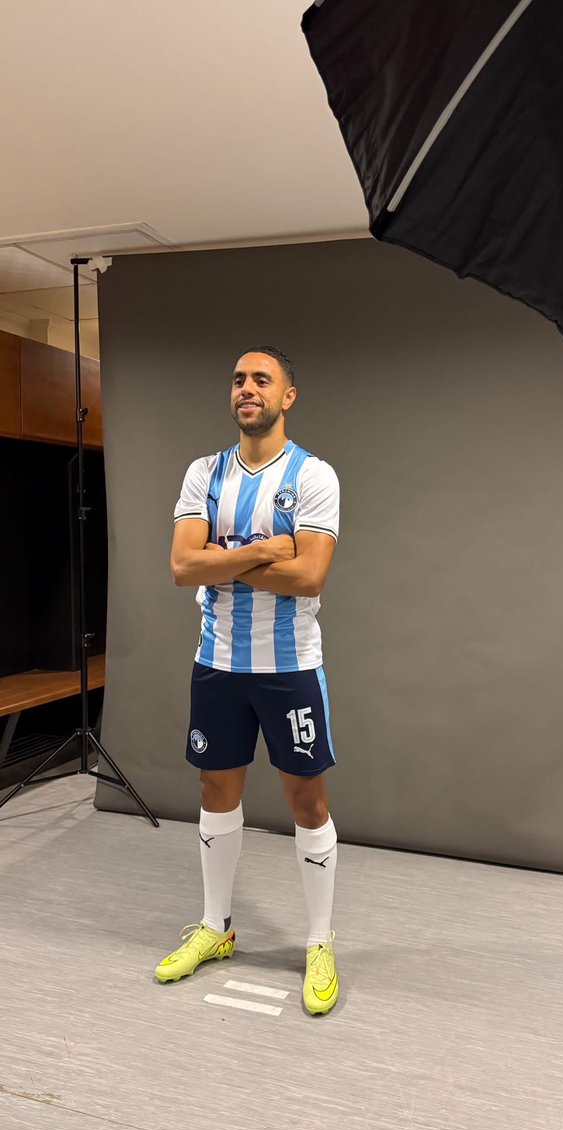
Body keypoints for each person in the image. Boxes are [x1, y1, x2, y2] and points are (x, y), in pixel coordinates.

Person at [155, 346, 340, 1016]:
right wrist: (263, 549)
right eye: (238, 379)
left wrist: (220, 559)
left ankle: (319, 941)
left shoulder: (314, 476)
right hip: (219, 665)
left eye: (262, 379)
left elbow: (310, 577)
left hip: (290, 668)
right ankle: (215, 927)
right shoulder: (204, 473)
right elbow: (181, 566)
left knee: (307, 803)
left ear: (287, 396)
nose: (247, 388)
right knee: (214, 791)